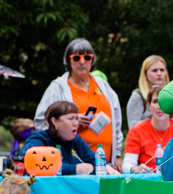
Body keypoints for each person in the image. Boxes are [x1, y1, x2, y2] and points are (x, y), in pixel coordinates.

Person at [32, 38, 123, 169]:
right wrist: (71, 120)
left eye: (87, 57)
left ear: (92, 60)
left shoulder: (103, 85)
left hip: (105, 159)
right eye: (76, 58)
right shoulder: (58, 87)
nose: (82, 62)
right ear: (68, 61)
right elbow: (41, 121)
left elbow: (117, 121)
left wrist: (118, 155)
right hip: (74, 162)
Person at [22, 101, 100, 175]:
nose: (76, 123)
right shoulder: (38, 140)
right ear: (54, 121)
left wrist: (104, 166)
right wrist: (74, 169)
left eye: (77, 118)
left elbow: (93, 160)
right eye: (70, 119)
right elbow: (36, 166)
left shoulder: (76, 140)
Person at [123, 86, 173, 172]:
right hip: (147, 182)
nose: (159, 106)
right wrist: (135, 168)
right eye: (155, 101)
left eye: (164, 101)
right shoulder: (136, 130)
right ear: (149, 105)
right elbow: (127, 165)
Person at [126, 55, 170, 128]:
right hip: (146, 138)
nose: (159, 73)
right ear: (145, 74)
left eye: (162, 70)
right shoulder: (138, 96)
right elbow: (133, 126)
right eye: (154, 70)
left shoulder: (172, 96)